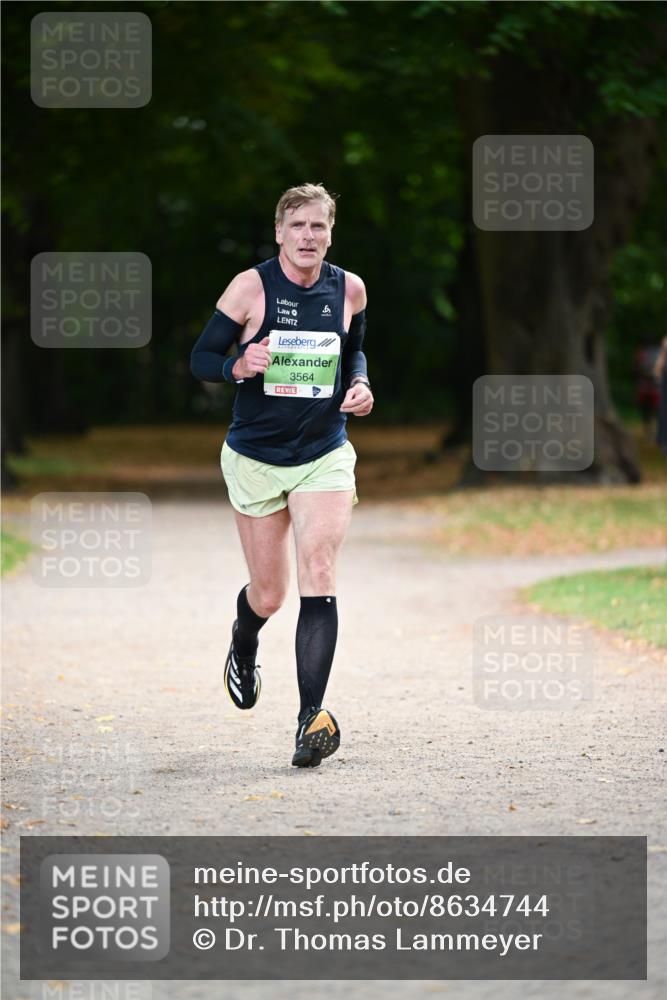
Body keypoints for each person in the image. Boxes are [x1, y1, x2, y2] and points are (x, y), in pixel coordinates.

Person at [190, 183, 373, 768]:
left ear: (330, 234)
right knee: (269, 593)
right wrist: (238, 365)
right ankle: (244, 639)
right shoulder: (250, 287)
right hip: (256, 457)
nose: (307, 236)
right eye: (297, 226)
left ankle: (309, 720)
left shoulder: (349, 289)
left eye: (318, 226)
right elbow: (200, 359)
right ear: (279, 232)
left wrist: (361, 384)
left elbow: (354, 351)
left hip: (324, 452)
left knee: (318, 569)